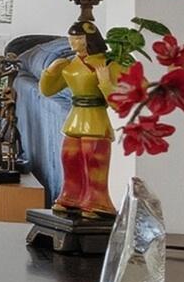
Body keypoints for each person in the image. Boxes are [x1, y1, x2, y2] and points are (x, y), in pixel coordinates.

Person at [40, 37, 122, 217]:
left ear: (88, 39)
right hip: (75, 118)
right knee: (70, 158)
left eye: (77, 38)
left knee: (94, 161)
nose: (72, 42)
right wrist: (50, 72)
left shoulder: (108, 64)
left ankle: (96, 201)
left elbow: (119, 104)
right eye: (71, 38)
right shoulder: (70, 65)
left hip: (96, 119)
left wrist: (105, 83)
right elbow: (47, 90)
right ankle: (70, 196)